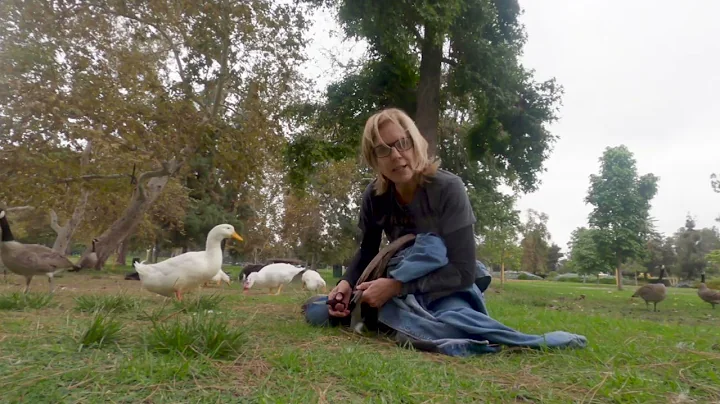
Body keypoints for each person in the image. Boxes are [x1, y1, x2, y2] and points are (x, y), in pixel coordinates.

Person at [326, 107, 478, 320]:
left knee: (456, 322)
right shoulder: (374, 196)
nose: (395, 155)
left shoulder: (449, 188)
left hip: (444, 281)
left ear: (416, 144)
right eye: (382, 150)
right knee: (326, 314)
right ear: (374, 159)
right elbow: (368, 249)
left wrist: (396, 287)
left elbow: (464, 272)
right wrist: (346, 282)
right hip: (398, 271)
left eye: (402, 143)